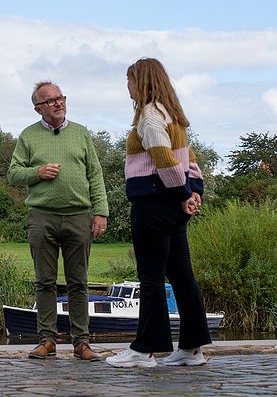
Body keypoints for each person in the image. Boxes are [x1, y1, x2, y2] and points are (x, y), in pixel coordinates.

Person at [105, 58, 211, 368]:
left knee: (150, 278)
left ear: (142, 82)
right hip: (174, 207)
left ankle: (144, 350)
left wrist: (182, 195)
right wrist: (193, 191)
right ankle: (192, 349)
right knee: (182, 276)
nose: (128, 87)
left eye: (130, 80)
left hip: (153, 204)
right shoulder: (172, 116)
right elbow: (189, 159)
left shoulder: (150, 117)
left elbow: (164, 160)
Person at [8, 81, 109, 362]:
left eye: (60, 98)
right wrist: (37, 172)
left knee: (79, 283)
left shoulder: (81, 134)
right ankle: (47, 340)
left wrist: (100, 211)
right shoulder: (28, 137)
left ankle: (81, 342)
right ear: (38, 107)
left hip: (79, 216)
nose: (58, 103)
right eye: (51, 100)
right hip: (42, 217)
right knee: (45, 282)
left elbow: (95, 175)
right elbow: (13, 174)